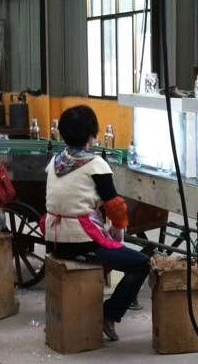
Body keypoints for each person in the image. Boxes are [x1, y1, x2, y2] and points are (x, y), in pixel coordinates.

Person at [41, 105, 149, 342]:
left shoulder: (56, 161)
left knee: (113, 251)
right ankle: (109, 314)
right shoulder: (95, 164)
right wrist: (117, 230)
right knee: (141, 264)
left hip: (53, 239)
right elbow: (115, 206)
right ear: (91, 135)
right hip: (80, 242)